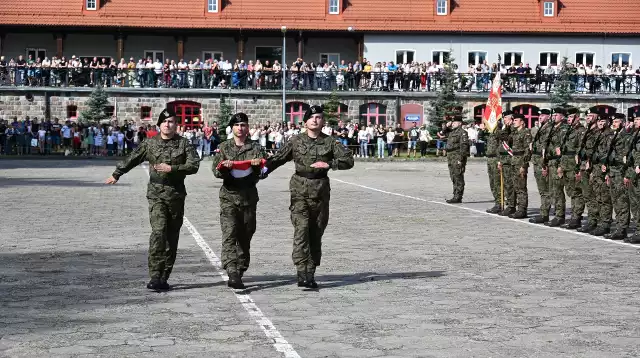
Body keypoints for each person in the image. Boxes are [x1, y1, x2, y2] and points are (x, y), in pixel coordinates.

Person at [104, 107, 200, 291]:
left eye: (171, 121)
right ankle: (155, 275)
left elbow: (194, 165)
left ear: (176, 125)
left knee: (172, 237)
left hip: (176, 195)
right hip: (156, 194)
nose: (167, 124)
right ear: (159, 124)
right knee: (158, 232)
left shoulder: (184, 144)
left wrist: (173, 169)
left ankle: (164, 277)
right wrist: (117, 173)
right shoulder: (150, 143)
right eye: (164, 121)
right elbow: (133, 158)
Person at [263, 105, 354, 289]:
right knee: (301, 230)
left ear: (323, 122)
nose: (315, 120)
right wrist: (261, 171)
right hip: (299, 192)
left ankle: (310, 272)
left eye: (319, 117)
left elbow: (348, 160)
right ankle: (301, 271)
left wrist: (329, 164)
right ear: (305, 122)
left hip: (320, 192)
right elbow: (278, 158)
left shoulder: (330, 143)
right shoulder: (295, 141)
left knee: (315, 232)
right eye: (312, 117)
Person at [211, 113, 266, 289]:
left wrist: (258, 167)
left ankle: (241, 268)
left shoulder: (256, 148)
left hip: (249, 198)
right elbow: (216, 171)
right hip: (229, 196)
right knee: (229, 234)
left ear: (248, 128)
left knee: (246, 235)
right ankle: (232, 271)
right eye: (237, 125)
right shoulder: (224, 147)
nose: (240, 128)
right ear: (232, 128)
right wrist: (225, 168)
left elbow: (263, 172)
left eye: (243, 125)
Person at [602, 113, 631, 240]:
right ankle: (619, 226)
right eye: (613, 122)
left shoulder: (626, 136)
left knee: (622, 201)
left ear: (623, 123)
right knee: (615, 200)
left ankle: (622, 228)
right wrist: (608, 172)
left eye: (617, 122)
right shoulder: (613, 136)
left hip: (621, 171)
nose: (614, 123)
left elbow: (627, 156)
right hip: (613, 171)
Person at [576, 110, 604, 233]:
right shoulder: (587, 131)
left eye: (590, 116)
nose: (587, 118)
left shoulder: (598, 132)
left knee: (596, 195)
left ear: (597, 117)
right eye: (587, 116)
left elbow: (598, 150)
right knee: (587, 195)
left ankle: (597, 221)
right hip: (583, 166)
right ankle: (592, 220)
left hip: (593, 167)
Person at [559, 107, 587, 229]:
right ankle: (574, 216)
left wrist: (579, 168)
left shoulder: (581, 131)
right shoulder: (568, 131)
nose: (569, 119)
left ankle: (577, 217)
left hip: (574, 166)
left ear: (576, 117)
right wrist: (561, 165)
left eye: (571, 117)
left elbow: (581, 151)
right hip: (566, 165)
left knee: (577, 192)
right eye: (568, 117)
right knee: (571, 191)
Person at [545, 107, 569, 227]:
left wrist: (560, 165)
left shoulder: (564, 129)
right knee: (553, 191)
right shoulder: (553, 128)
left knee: (558, 191)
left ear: (562, 117)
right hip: (551, 163)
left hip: (558, 163)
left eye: (557, 115)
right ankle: (557, 213)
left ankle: (560, 216)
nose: (554, 117)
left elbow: (562, 150)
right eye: (553, 115)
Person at [529, 109, 553, 224]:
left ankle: (545, 214)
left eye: (543, 115)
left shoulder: (549, 129)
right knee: (542, 190)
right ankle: (544, 212)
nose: (540, 117)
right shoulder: (541, 128)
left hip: (543, 162)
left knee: (546, 190)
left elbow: (546, 148)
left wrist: (545, 164)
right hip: (537, 161)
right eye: (539, 115)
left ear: (548, 117)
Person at [508, 113, 532, 219]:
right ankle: (518, 209)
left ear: (522, 121)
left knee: (521, 187)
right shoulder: (515, 133)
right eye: (513, 120)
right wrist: (507, 127)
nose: (513, 122)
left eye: (516, 120)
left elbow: (528, 150)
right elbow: (505, 138)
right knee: (516, 186)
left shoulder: (526, 133)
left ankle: (522, 210)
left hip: (521, 162)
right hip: (514, 161)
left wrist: (524, 164)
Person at [444, 115, 470, 203]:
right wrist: (446, 127)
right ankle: (455, 194)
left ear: (459, 123)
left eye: (454, 122)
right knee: (453, 176)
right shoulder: (452, 132)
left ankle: (458, 196)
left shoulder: (462, 132)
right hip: (451, 156)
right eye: (452, 122)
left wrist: (461, 159)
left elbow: (464, 146)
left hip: (457, 156)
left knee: (458, 176)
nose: (452, 124)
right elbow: (444, 133)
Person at [625, 112, 640, 243]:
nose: (635, 121)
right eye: (635, 119)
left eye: (638, 119)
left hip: (638, 171)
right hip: (633, 172)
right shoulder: (635, 134)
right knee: (635, 202)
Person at [497, 111, 515, 215]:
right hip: (504, 160)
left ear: (511, 119)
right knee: (507, 184)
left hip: (510, 159)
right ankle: (509, 204)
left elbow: (508, 139)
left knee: (510, 184)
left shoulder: (513, 129)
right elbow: (501, 139)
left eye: (506, 118)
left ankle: (511, 205)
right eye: (504, 118)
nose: (504, 120)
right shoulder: (505, 128)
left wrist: (508, 128)